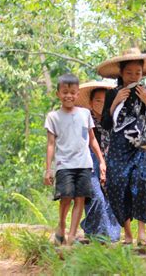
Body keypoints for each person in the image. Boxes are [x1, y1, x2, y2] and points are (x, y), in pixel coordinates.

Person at [98, 48, 146, 245]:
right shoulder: (112, 93)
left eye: (137, 73)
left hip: (142, 145)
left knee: (141, 183)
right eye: (129, 73)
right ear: (121, 72)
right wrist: (114, 105)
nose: (133, 76)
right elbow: (105, 124)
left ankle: (141, 232)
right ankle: (127, 233)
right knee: (119, 185)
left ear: (142, 73)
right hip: (119, 146)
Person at [44, 73, 106, 246]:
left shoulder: (85, 114)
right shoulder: (53, 117)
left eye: (72, 92)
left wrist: (101, 161)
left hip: (84, 164)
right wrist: (48, 169)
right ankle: (62, 224)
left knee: (80, 198)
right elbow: (50, 144)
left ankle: (71, 235)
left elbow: (92, 139)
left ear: (78, 94)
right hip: (64, 165)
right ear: (58, 94)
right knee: (66, 197)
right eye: (65, 92)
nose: (68, 96)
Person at [75, 81, 121, 242]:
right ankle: (95, 232)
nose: (101, 105)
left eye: (105, 101)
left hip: (113, 161)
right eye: (97, 101)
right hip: (89, 161)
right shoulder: (84, 120)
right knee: (95, 197)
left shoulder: (115, 119)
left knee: (112, 198)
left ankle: (107, 235)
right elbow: (82, 142)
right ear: (90, 103)